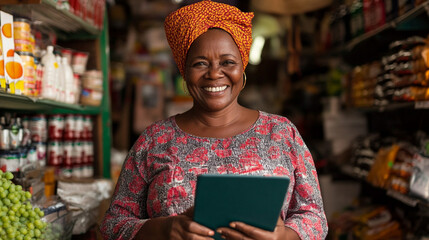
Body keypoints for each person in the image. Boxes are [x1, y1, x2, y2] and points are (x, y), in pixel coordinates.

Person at [100, 1, 328, 239]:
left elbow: (314, 216)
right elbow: (112, 225)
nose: (214, 73)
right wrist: (164, 229)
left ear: (242, 67)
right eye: (200, 63)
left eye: (227, 62)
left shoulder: (281, 133)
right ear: (184, 71)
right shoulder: (155, 140)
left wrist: (285, 237)